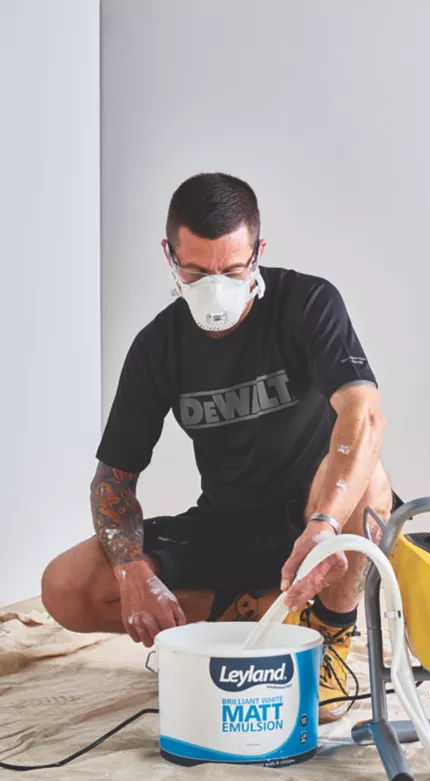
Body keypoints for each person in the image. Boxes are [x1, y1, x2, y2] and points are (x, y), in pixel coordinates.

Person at [41, 172, 393, 722]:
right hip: (228, 525)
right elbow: (113, 479)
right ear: (170, 256)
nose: (215, 288)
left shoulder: (307, 302)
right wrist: (133, 570)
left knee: (370, 480)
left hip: (318, 519)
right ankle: (256, 614)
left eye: (231, 271)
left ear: (258, 253)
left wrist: (324, 524)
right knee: (67, 586)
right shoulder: (157, 347)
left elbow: (363, 413)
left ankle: (328, 637)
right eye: (196, 272)